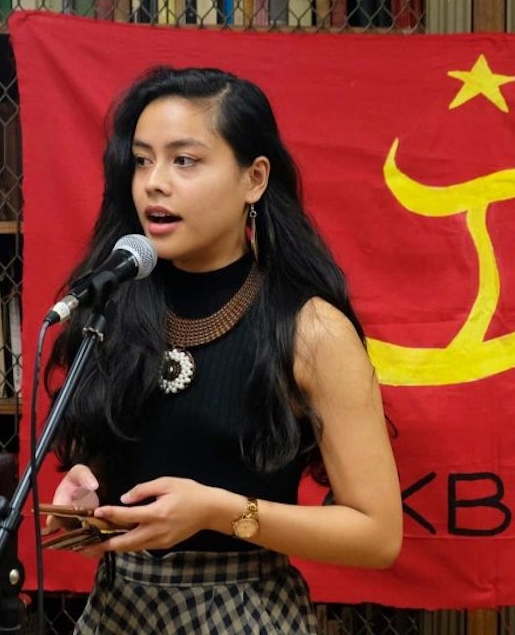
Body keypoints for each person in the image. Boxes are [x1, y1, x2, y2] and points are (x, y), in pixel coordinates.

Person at [42, 66, 402, 634]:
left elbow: (378, 536)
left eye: (184, 160)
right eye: (142, 160)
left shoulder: (309, 329)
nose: (154, 183)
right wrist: (91, 487)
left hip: (244, 611)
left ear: (254, 178)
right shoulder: (114, 303)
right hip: (118, 609)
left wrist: (217, 511)